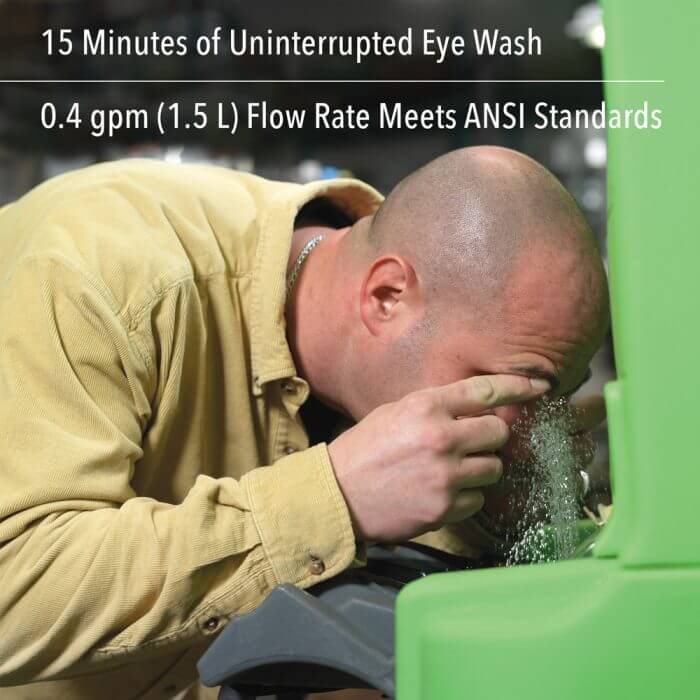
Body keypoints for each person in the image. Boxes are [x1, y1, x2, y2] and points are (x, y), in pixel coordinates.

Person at [0, 146, 609, 699]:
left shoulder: (420, 339)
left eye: (554, 396)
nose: (528, 426)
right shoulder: (99, 274)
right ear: (386, 296)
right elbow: (14, 592)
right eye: (518, 385)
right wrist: (335, 497)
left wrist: (515, 518)